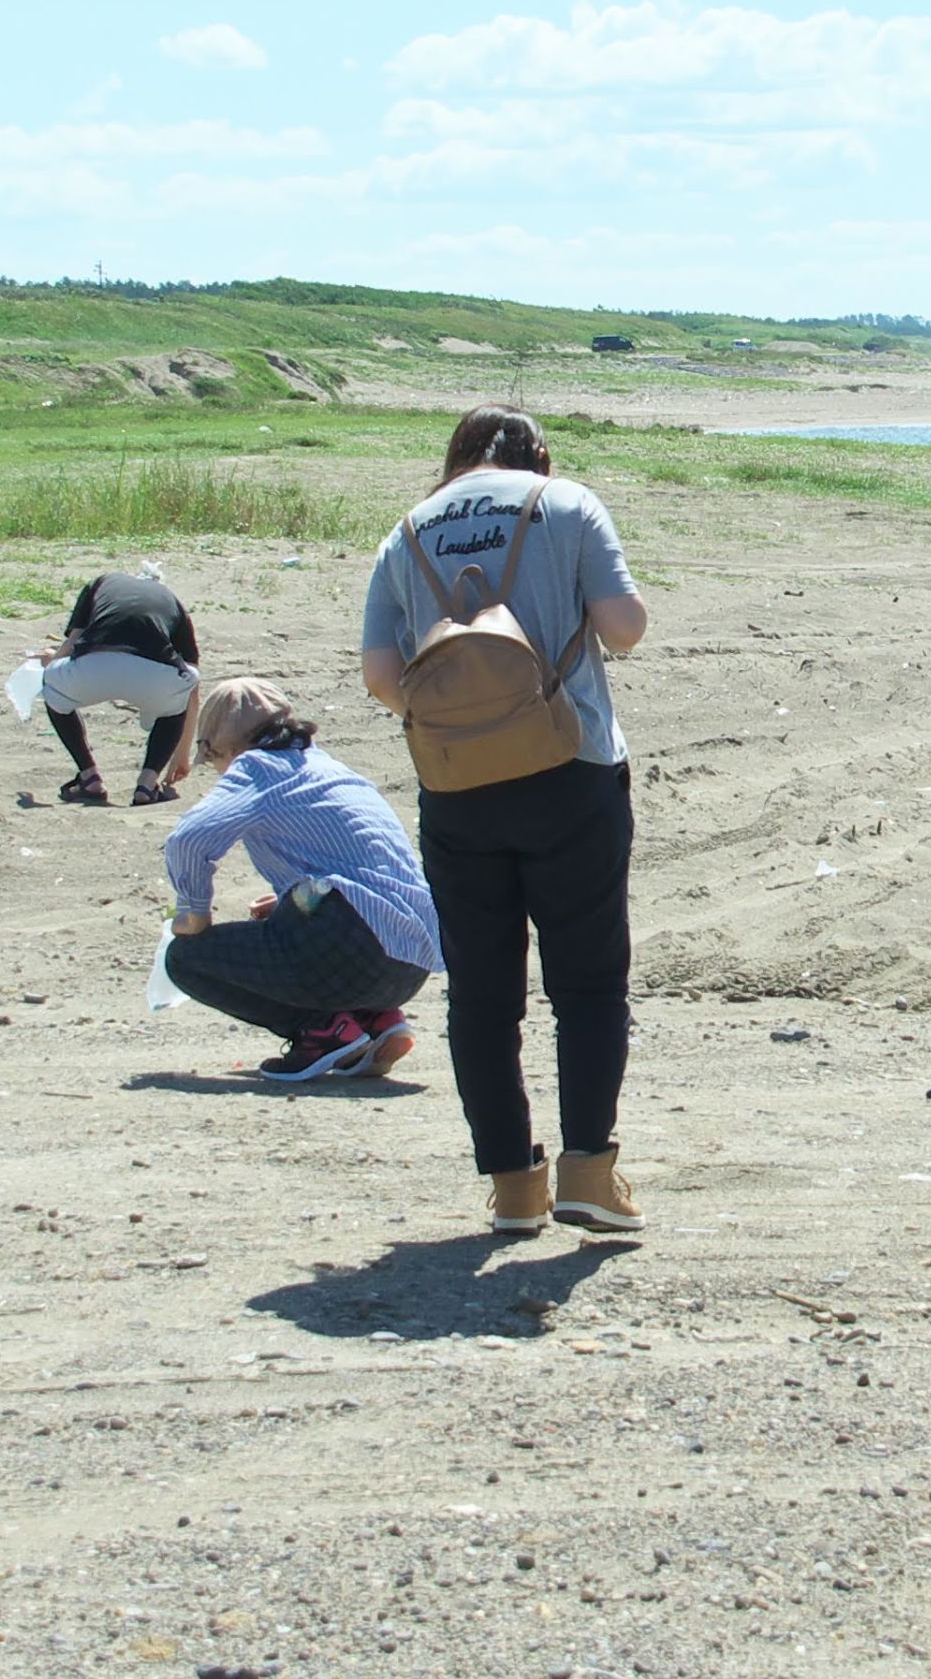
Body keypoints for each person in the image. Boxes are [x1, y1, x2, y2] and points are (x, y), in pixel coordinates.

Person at [359, 407, 650, 1238]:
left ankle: (514, 1190)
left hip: (456, 784)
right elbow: (622, 630)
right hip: (573, 766)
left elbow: (384, 675)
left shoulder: (405, 530)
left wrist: (472, 712)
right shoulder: (565, 505)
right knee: (587, 984)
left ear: (454, 456)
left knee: (483, 997)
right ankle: (589, 1174)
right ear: (538, 457)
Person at [159, 674, 440, 1089]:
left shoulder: (255, 766)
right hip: (411, 964)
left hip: (355, 953)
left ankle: (323, 1031)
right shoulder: (326, 766)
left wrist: (192, 910)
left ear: (226, 747)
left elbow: (189, 838)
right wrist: (288, 901)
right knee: (278, 928)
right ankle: (377, 1019)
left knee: (185, 959)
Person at [37, 566, 203, 808]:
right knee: (176, 698)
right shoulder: (172, 602)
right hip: (155, 676)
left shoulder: (101, 583)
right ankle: (147, 784)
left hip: (93, 666)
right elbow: (191, 687)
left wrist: (53, 663)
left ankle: (89, 776)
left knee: (53, 688)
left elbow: (72, 643)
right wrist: (182, 753)